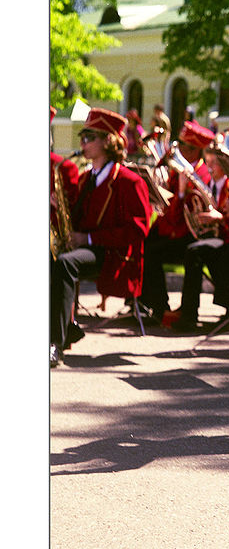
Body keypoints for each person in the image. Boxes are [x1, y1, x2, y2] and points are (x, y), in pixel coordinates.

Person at [50, 109, 152, 366]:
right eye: (82, 137)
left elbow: (139, 229)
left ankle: (54, 344)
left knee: (65, 264)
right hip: (86, 247)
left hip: (112, 253)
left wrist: (89, 239)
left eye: (89, 137)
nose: (82, 143)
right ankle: (65, 327)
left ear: (108, 140)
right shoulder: (86, 179)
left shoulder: (129, 181)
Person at [139, 120, 217, 323]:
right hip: (176, 230)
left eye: (182, 146)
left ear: (194, 151)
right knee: (145, 242)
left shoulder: (202, 175)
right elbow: (168, 211)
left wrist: (181, 192)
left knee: (153, 251)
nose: (178, 149)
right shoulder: (179, 171)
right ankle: (154, 304)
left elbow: (181, 215)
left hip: (190, 234)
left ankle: (172, 311)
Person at [168, 144, 229, 332]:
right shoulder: (210, 186)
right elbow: (180, 214)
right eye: (207, 163)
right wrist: (183, 192)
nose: (209, 168)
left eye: (214, 164)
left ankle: (190, 315)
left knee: (195, 251)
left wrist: (220, 217)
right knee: (193, 249)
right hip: (213, 237)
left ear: (224, 166)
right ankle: (189, 311)